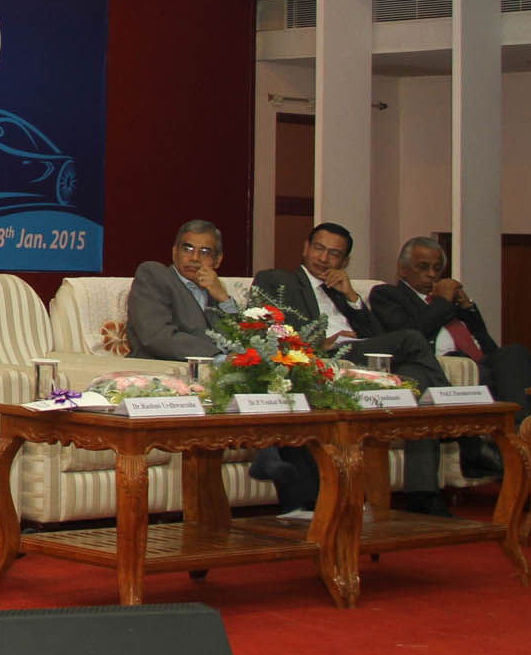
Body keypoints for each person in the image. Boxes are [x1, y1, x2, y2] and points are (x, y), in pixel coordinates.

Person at [253, 223, 449, 516]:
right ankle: (455, 420)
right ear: (305, 248)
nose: (323, 258)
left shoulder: (340, 290)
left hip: (361, 356)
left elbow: (378, 338)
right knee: (412, 339)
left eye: (334, 254)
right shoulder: (278, 280)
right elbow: (269, 329)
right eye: (318, 248)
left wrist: (353, 298)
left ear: (344, 262)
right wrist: (322, 342)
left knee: (419, 375)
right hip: (324, 355)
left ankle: (424, 496)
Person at [373, 236, 531, 477]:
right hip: (443, 368)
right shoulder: (387, 295)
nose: (432, 275)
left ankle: (520, 440)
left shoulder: (448, 302)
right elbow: (411, 336)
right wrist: (442, 301)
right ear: (403, 269)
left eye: (437, 268)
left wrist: (468, 308)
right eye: (423, 267)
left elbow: (488, 346)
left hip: (478, 365)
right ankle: (523, 463)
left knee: (515, 353)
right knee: (502, 375)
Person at [126, 220, 238, 360]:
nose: (194, 258)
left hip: (215, 370)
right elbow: (157, 335)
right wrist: (217, 357)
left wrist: (224, 298)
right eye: (187, 249)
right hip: (159, 367)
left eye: (204, 252)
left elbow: (241, 340)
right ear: (175, 253)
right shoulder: (154, 275)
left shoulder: (214, 290)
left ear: (217, 260)